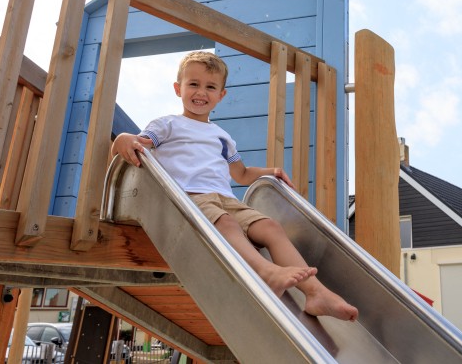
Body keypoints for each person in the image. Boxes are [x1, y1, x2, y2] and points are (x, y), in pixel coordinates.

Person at [111, 51, 358, 322]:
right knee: (226, 223)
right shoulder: (167, 125)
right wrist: (123, 137)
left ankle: (315, 292)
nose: (201, 92)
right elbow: (138, 144)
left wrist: (271, 171)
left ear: (221, 95)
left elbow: (240, 174)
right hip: (189, 199)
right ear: (177, 88)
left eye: (210, 87)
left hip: (224, 198)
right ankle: (265, 272)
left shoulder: (222, 136)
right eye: (193, 84)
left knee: (270, 228)